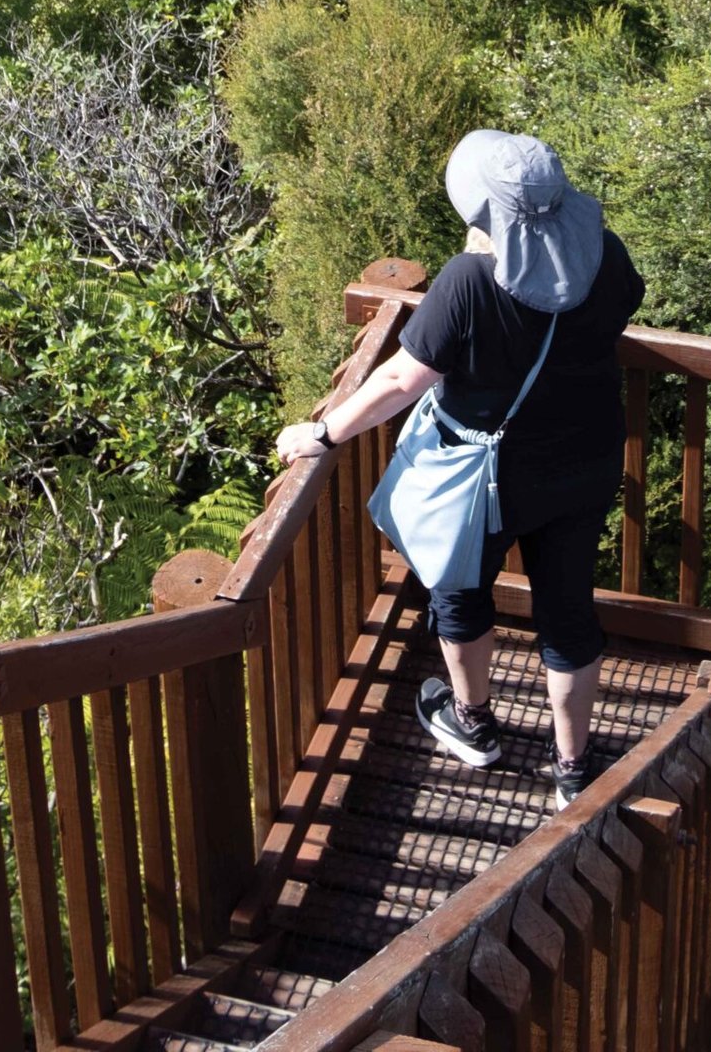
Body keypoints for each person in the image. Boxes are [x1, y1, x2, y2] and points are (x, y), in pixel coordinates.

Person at [275, 129, 644, 807]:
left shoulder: (468, 281)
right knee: (568, 610)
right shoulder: (607, 257)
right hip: (584, 462)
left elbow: (401, 381)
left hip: (487, 478)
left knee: (459, 585)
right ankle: (572, 769)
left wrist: (323, 432)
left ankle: (473, 724)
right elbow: (615, 309)